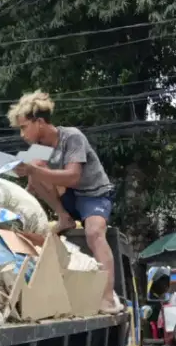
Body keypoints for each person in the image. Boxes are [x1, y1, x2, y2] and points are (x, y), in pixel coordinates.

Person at [7, 90, 122, 314]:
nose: (22, 134)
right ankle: (64, 217)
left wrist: (34, 170)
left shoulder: (72, 137)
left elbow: (73, 176)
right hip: (69, 198)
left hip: (94, 195)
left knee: (94, 233)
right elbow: (33, 185)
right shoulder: (39, 149)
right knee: (34, 173)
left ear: (39, 122)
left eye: (23, 127)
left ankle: (108, 298)